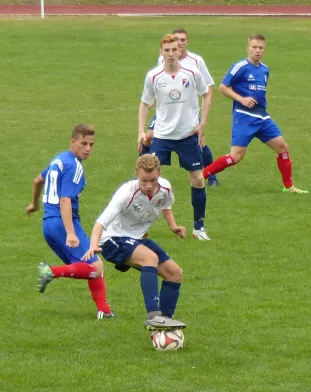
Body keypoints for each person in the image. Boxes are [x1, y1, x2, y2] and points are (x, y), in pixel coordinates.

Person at [83, 154, 186, 331]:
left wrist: (173, 226)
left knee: (175, 273)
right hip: (112, 240)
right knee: (150, 259)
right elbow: (100, 222)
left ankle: (164, 324)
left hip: (136, 239)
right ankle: (153, 316)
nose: (148, 186)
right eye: (144, 180)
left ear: (159, 174)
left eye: (152, 180)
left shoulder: (165, 188)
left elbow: (165, 206)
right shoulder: (126, 193)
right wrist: (93, 245)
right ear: (137, 174)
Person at [26, 123, 115, 320]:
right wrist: (71, 233)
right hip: (63, 224)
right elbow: (65, 199)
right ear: (73, 141)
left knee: (92, 266)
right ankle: (50, 272)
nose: (88, 149)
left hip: (48, 225)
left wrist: (34, 205)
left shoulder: (59, 159)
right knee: (95, 267)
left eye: (91, 144)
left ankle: (104, 311)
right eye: (84, 143)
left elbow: (37, 181)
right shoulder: (73, 166)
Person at [203, 34, 308, 194]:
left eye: (260, 48)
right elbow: (223, 87)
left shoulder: (265, 69)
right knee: (235, 157)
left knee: (282, 148)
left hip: (263, 118)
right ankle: (201, 176)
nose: (257, 51)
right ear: (248, 49)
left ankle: (289, 187)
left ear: (264, 50)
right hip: (244, 117)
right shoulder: (240, 67)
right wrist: (242, 99)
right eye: (254, 47)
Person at [138, 33, 211, 241]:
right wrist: (141, 131)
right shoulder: (153, 76)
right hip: (162, 135)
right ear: (160, 53)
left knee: (197, 179)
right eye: (167, 50)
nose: (171, 54)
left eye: (174, 50)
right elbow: (145, 103)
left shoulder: (192, 72)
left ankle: (199, 227)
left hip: (187, 134)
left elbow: (206, 94)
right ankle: (141, 226)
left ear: (180, 51)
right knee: (148, 180)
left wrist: (202, 123)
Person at [141, 28, 219, 187]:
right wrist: (154, 98)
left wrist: (204, 112)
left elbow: (209, 86)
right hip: (166, 110)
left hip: (187, 111)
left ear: (186, 42)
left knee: (200, 141)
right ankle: (142, 173)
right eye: (178, 39)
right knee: (148, 136)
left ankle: (211, 176)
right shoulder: (162, 61)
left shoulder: (196, 61)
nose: (180, 43)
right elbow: (161, 82)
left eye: (183, 40)